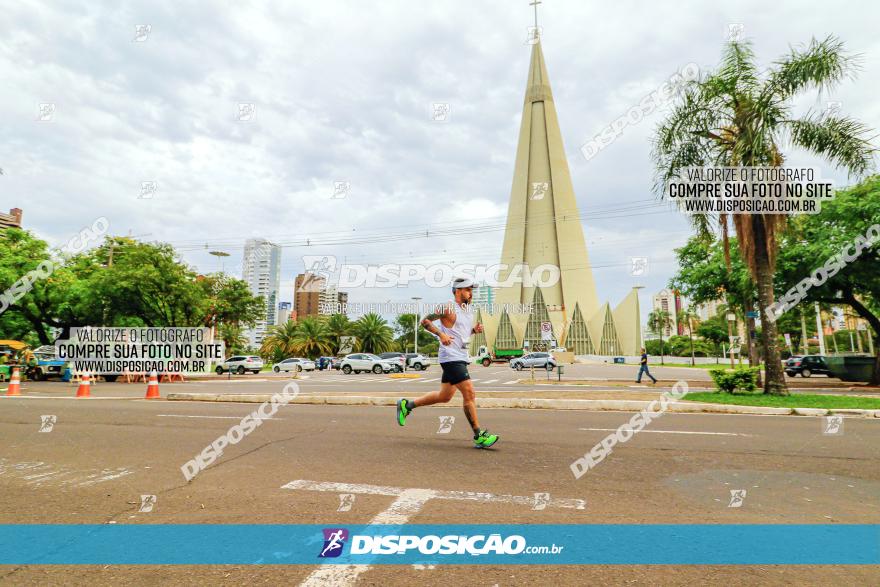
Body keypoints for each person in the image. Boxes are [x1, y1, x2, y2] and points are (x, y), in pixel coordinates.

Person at [396, 277, 499, 448]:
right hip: (451, 357)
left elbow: (460, 333)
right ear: (458, 291)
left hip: (460, 356)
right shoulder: (447, 307)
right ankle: (479, 435)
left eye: (471, 290)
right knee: (469, 394)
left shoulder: (467, 310)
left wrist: (474, 330)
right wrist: (441, 334)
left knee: (445, 396)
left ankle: (407, 405)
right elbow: (425, 321)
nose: (470, 293)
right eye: (467, 290)